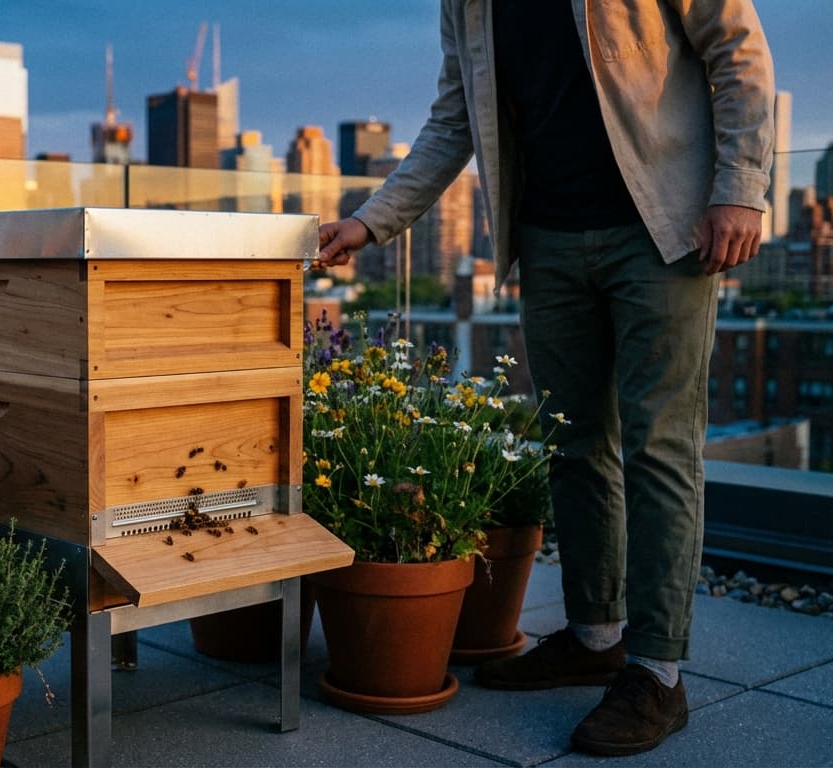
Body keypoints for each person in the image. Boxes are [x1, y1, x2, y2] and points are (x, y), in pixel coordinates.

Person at [315, 0, 774, 756]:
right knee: (572, 443)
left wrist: (739, 189)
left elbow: (738, 51)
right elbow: (453, 119)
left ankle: (658, 674)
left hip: (664, 230)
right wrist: (372, 220)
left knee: (659, 447)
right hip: (548, 241)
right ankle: (597, 637)